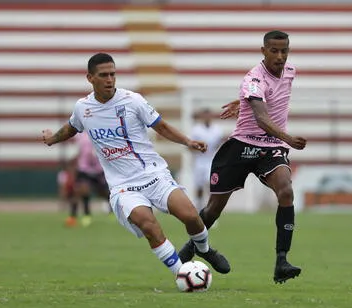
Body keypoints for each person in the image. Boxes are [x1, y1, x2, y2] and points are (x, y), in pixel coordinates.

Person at [41, 53, 230, 276]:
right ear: (90, 78)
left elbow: (162, 126)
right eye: (103, 75)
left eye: (112, 74)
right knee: (149, 225)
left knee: (191, 216)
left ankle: (205, 250)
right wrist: (53, 138)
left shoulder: (133, 100)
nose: (110, 79)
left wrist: (187, 141)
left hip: (153, 174)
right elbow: (72, 127)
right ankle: (183, 274)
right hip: (123, 186)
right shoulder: (83, 108)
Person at [178, 30, 308, 284]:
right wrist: (289, 138)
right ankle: (191, 248)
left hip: (271, 148)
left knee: (286, 191)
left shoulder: (290, 71)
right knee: (214, 209)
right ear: (263, 51)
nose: (280, 56)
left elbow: (268, 100)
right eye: (274, 50)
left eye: (284, 50)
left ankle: (282, 260)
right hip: (241, 146)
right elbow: (261, 118)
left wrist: (242, 103)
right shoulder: (253, 79)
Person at [73, 131, 111, 227]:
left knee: (103, 192)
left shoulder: (100, 132)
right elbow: (80, 150)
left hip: (98, 169)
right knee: (83, 190)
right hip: (84, 168)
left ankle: (112, 210)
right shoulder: (80, 135)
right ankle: (86, 215)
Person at [190, 108, 224, 208]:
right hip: (199, 161)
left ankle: (211, 209)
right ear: (202, 117)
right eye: (205, 116)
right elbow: (190, 147)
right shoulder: (196, 129)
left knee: (211, 185)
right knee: (199, 186)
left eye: (209, 115)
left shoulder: (217, 129)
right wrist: (199, 149)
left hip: (212, 160)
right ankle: (199, 208)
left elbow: (220, 144)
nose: (207, 118)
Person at [57, 159, 78, 227]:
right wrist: (63, 195)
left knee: (74, 202)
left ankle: (72, 218)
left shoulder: (74, 173)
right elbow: (62, 185)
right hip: (67, 190)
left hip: (73, 190)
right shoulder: (62, 174)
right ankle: (72, 218)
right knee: (73, 202)